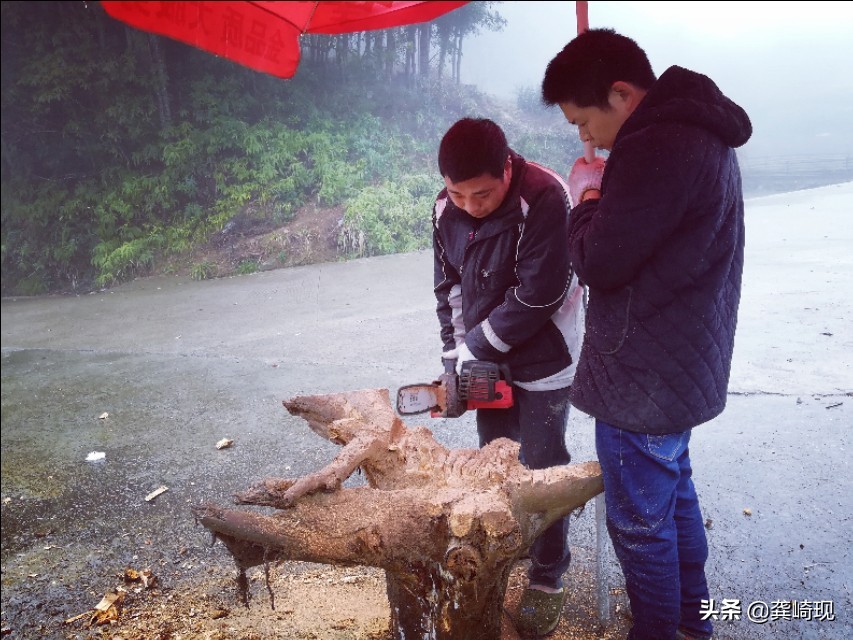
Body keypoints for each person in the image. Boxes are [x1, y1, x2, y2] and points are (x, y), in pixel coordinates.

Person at [541, 28, 752, 640]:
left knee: (640, 524)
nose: (585, 138)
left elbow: (601, 261)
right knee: (674, 493)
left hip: (643, 378)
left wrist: (585, 196)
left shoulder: (655, 144)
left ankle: (659, 631)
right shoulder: (701, 131)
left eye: (584, 122)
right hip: (681, 361)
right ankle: (693, 622)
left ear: (622, 93)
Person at [432, 117, 586, 637]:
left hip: (546, 357)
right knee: (495, 456)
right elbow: (449, 290)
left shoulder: (546, 196)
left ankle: (547, 575)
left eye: (483, 193)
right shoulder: (443, 209)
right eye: (458, 195)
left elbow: (539, 294)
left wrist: (471, 349)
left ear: (507, 167)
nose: (470, 206)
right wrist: (453, 362)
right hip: (486, 360)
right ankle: (504, 555)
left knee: (542, 467)